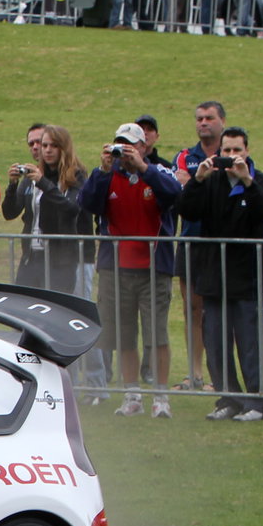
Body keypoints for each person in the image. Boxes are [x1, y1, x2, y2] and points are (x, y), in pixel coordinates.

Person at [176, 127, 263, 422]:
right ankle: (228, 399)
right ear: (218, 153)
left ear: (247, 151)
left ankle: (259, 403)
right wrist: (196, 180)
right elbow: (186, 210)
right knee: (217, 343)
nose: (232, 156)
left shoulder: (260, 181)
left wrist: (247, 181)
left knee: (251, 342)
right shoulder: (211, 182)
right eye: (227, 151)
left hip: (248, 278)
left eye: (237, 150)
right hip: (214, 276)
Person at [81, 122, 181, 418]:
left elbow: (175, 194)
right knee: (124, 335)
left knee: (157, 335)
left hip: (154, 268)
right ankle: (132, 393)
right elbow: (87, 204)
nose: (123, 150)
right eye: (119, 144)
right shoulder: (107, 176)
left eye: (130, 145)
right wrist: (101, 171)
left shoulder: (158, 172)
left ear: (143, 147)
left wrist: (143, 168)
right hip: (116, 269)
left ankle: (161, 396)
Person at [172, 101, 228, 390]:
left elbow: (228, 188)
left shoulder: (230, 154)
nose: (203, 123)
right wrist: (200, 182)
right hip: (191, 240)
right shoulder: (184, 156)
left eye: (209, 118)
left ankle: (218, 374)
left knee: (216, 310)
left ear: (222, 121)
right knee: (192, 309)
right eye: (199, 118)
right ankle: (194, 374)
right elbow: (178, 190)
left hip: (221, 243)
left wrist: (194, 182)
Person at [2, 124, 87, 292]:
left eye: (54, 146)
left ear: (64, 148)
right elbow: (10, 213)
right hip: (31, 257)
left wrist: (43, 183)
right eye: (45, 145)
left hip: (60, 259)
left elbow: (72, 208)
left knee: (54, 310)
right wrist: (12, 185)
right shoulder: (32, 176)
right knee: (23, 308)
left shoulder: (76, 175)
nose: (47, 150)